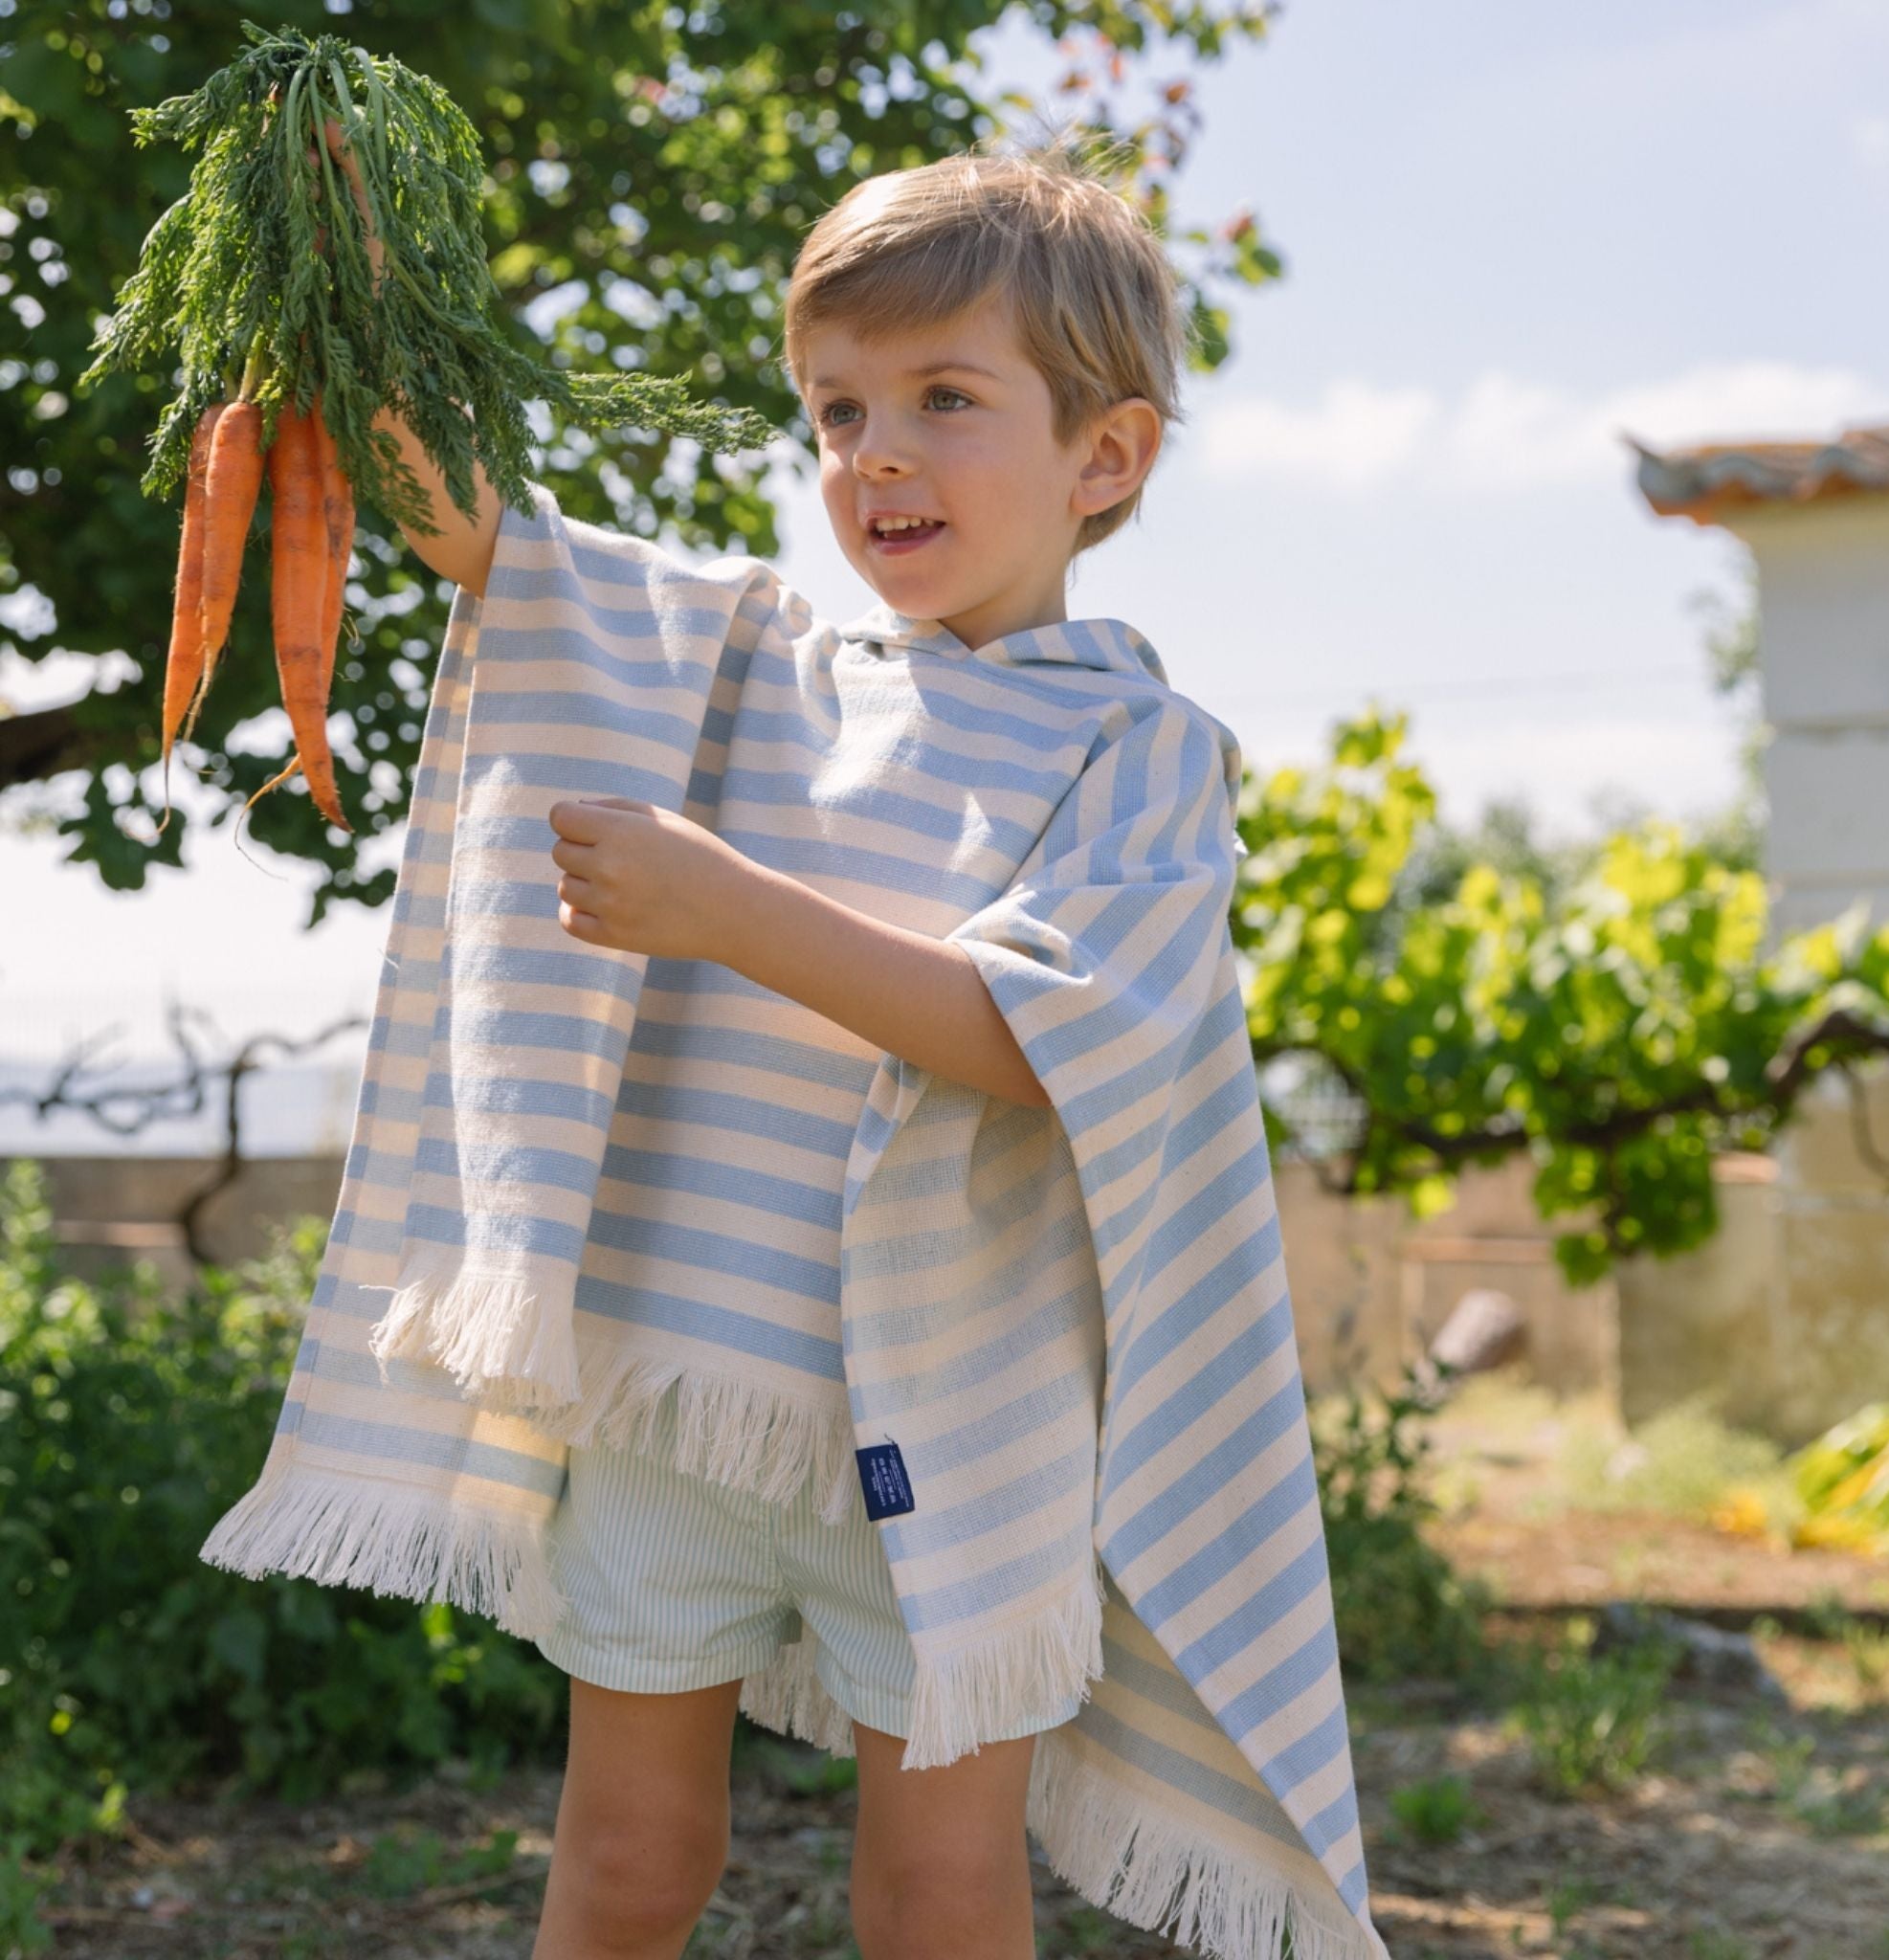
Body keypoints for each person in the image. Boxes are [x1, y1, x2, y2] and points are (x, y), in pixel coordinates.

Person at [297, 121, 1383, 1960]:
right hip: (685, 1400)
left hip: (965, 1435)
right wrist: (344, 281)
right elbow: (474, 532)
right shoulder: (741, 654)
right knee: (626, 1861)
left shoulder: (1138, 756)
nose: (874, 454)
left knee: (937, 1892)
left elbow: (1037, 1039)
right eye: (834, 410)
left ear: (1102, 457)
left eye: (944, 397)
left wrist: (725, 905)